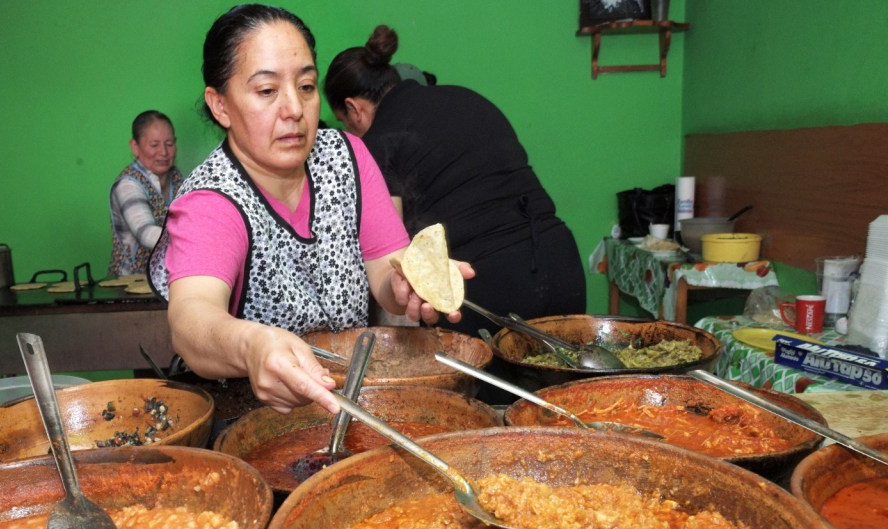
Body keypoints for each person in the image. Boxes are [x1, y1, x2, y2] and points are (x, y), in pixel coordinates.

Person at [149, 4, 470, 414]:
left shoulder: (346, 156)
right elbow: (191, 321)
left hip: (349, 407)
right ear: (220, 105)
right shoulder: (212, 199)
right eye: (267, 91)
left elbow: (385, 273)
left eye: (305, 86)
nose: (295, 110)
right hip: (256, 422)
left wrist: (409, 283)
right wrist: (253, 346)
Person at [324, 26, 586, 338]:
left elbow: (393, 248)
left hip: (483, 283)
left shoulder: (378, 141)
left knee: (486, 388)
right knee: (562, 385)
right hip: (559, 258)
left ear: (355, 108)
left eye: (346, 124)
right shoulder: (465, 97)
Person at [108, 110, 183, 276]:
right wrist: (198, 240)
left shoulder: (177, 178)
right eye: (154, 145)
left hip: (167, 278)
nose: (163, 152)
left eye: (169, 144)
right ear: (135, 147)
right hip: (131, 282)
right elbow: (146, 233)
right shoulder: (128, 184)